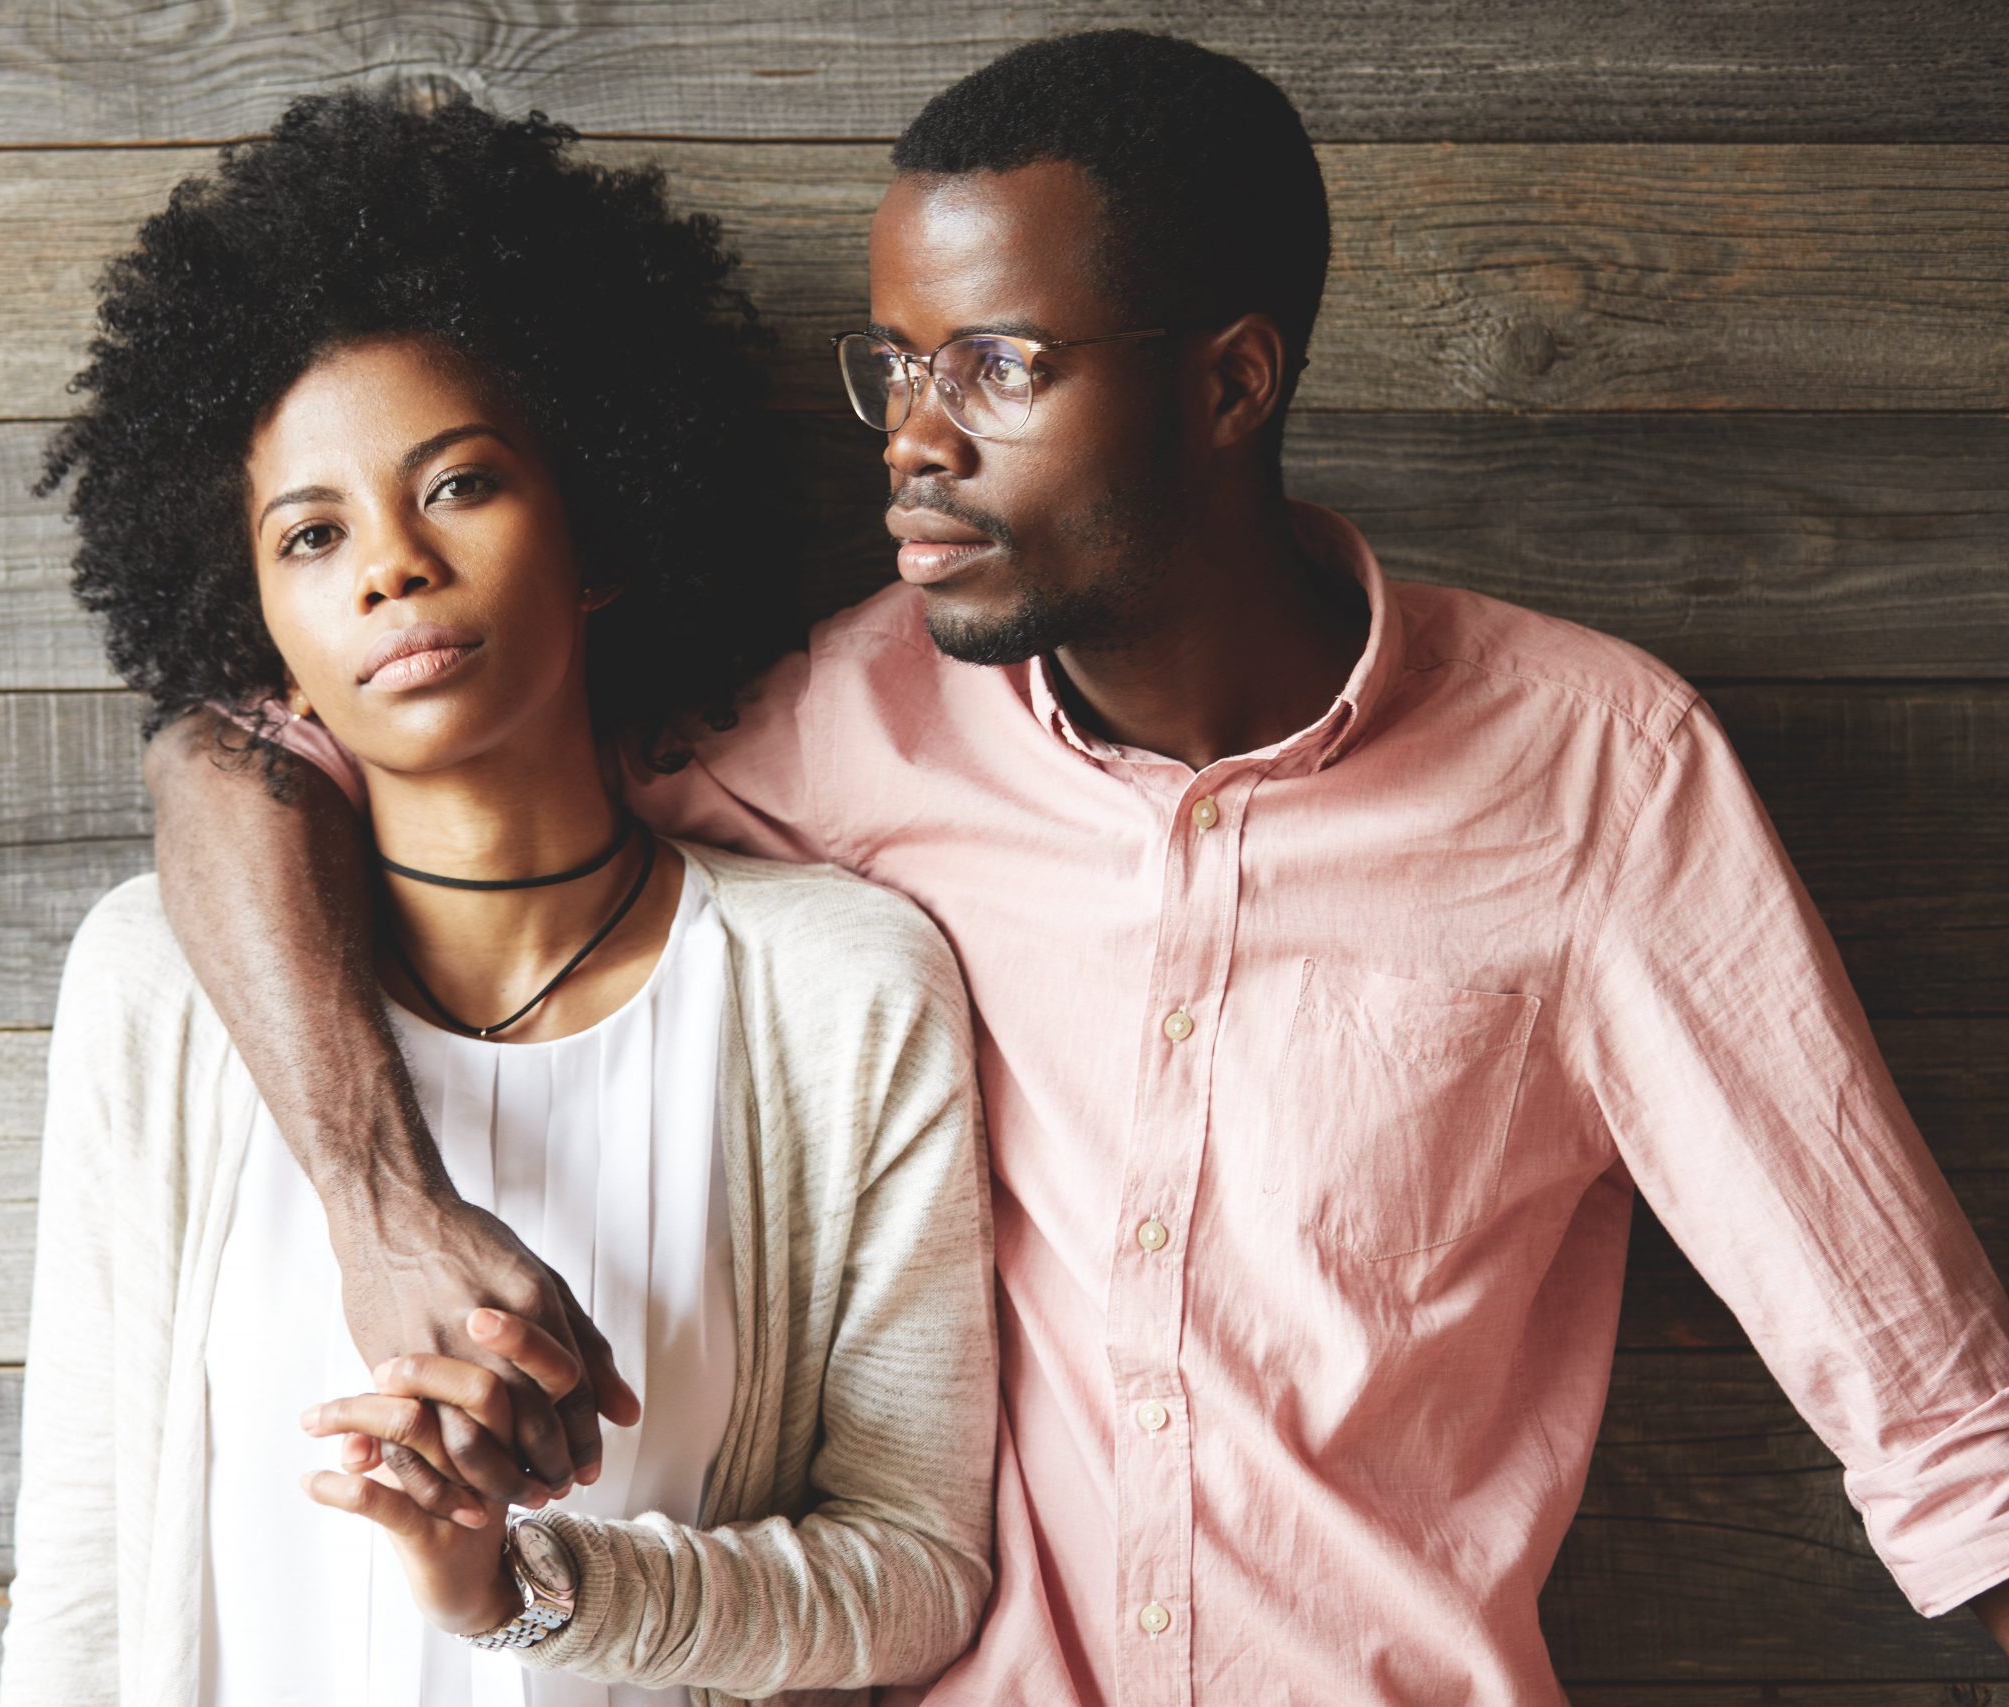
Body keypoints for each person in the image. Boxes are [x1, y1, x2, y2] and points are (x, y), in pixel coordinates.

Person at [141, 29, 2009, 1707]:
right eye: (892, 367)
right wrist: (376, 1202)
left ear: (1231, 382)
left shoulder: (1594, 772)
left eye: (1000, 365)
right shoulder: (844, 723)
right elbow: (254, 758)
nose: (916, 444)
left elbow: (1948, 1423)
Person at [0, 89, 997, 1707]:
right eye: (310, 534)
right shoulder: (157, 986)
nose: (389, 564)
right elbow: (85, 1580)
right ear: (258, 622)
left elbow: (915, 1572)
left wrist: (521, 1586)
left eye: (458, 484)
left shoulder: (843, 988)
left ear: (598, 523)